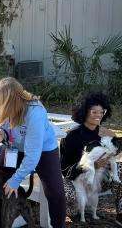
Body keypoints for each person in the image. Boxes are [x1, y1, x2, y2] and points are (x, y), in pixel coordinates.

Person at [0, 77, 66, 228]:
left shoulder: (35, 112)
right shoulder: (1, 107)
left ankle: (59, 225)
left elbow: (32, 156)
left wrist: (15, 180)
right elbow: (0, 126)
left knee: (55, 192)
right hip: (14, 147)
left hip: (43, 150)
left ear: (10, 102)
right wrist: (1, 135)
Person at [59, 92, 122, 225]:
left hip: (99, 179)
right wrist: (91, 165)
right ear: (84, 112)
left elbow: (113, 162)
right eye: (94, 112)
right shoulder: (71, 137)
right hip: (76, 180)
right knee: (64, 189)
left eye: (102, 112)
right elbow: (64, 170)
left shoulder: (108, 135)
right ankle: (73, 211)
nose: (98, 115)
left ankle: (121, 214)